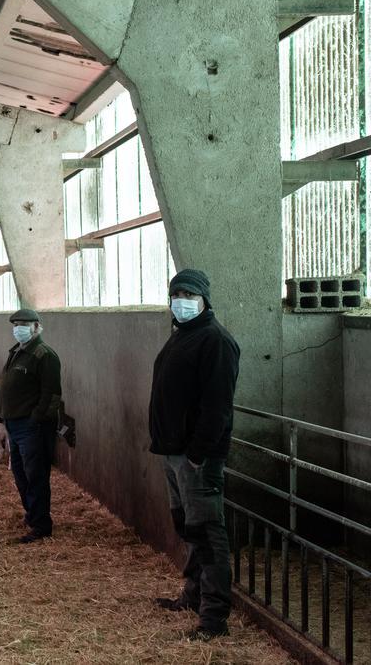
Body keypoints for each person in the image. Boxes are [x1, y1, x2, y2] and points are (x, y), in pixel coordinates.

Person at [148, 269, 240, 641]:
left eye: (189, 294)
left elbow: (217, 407)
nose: (181, 300)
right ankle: (194, 593)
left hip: (195, 458)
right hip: (174, 452)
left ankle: (214, 618)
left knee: (207, 532)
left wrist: (198, 455)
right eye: (177, 293)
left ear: (204, 299)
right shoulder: (182, 334)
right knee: (187, 525)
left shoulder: (215, 341)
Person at [0, 308, 62, 543]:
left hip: (31, 426)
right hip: (14, 424)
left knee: (35, 474)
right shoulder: (17, 352)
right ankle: (32, 514)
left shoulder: (44, 355)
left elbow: (52, 394)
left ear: (36, 326)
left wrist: (37, 418)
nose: (18, 328)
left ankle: (42, 525)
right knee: (21, 473)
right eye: (15, 324)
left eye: (24, 324)